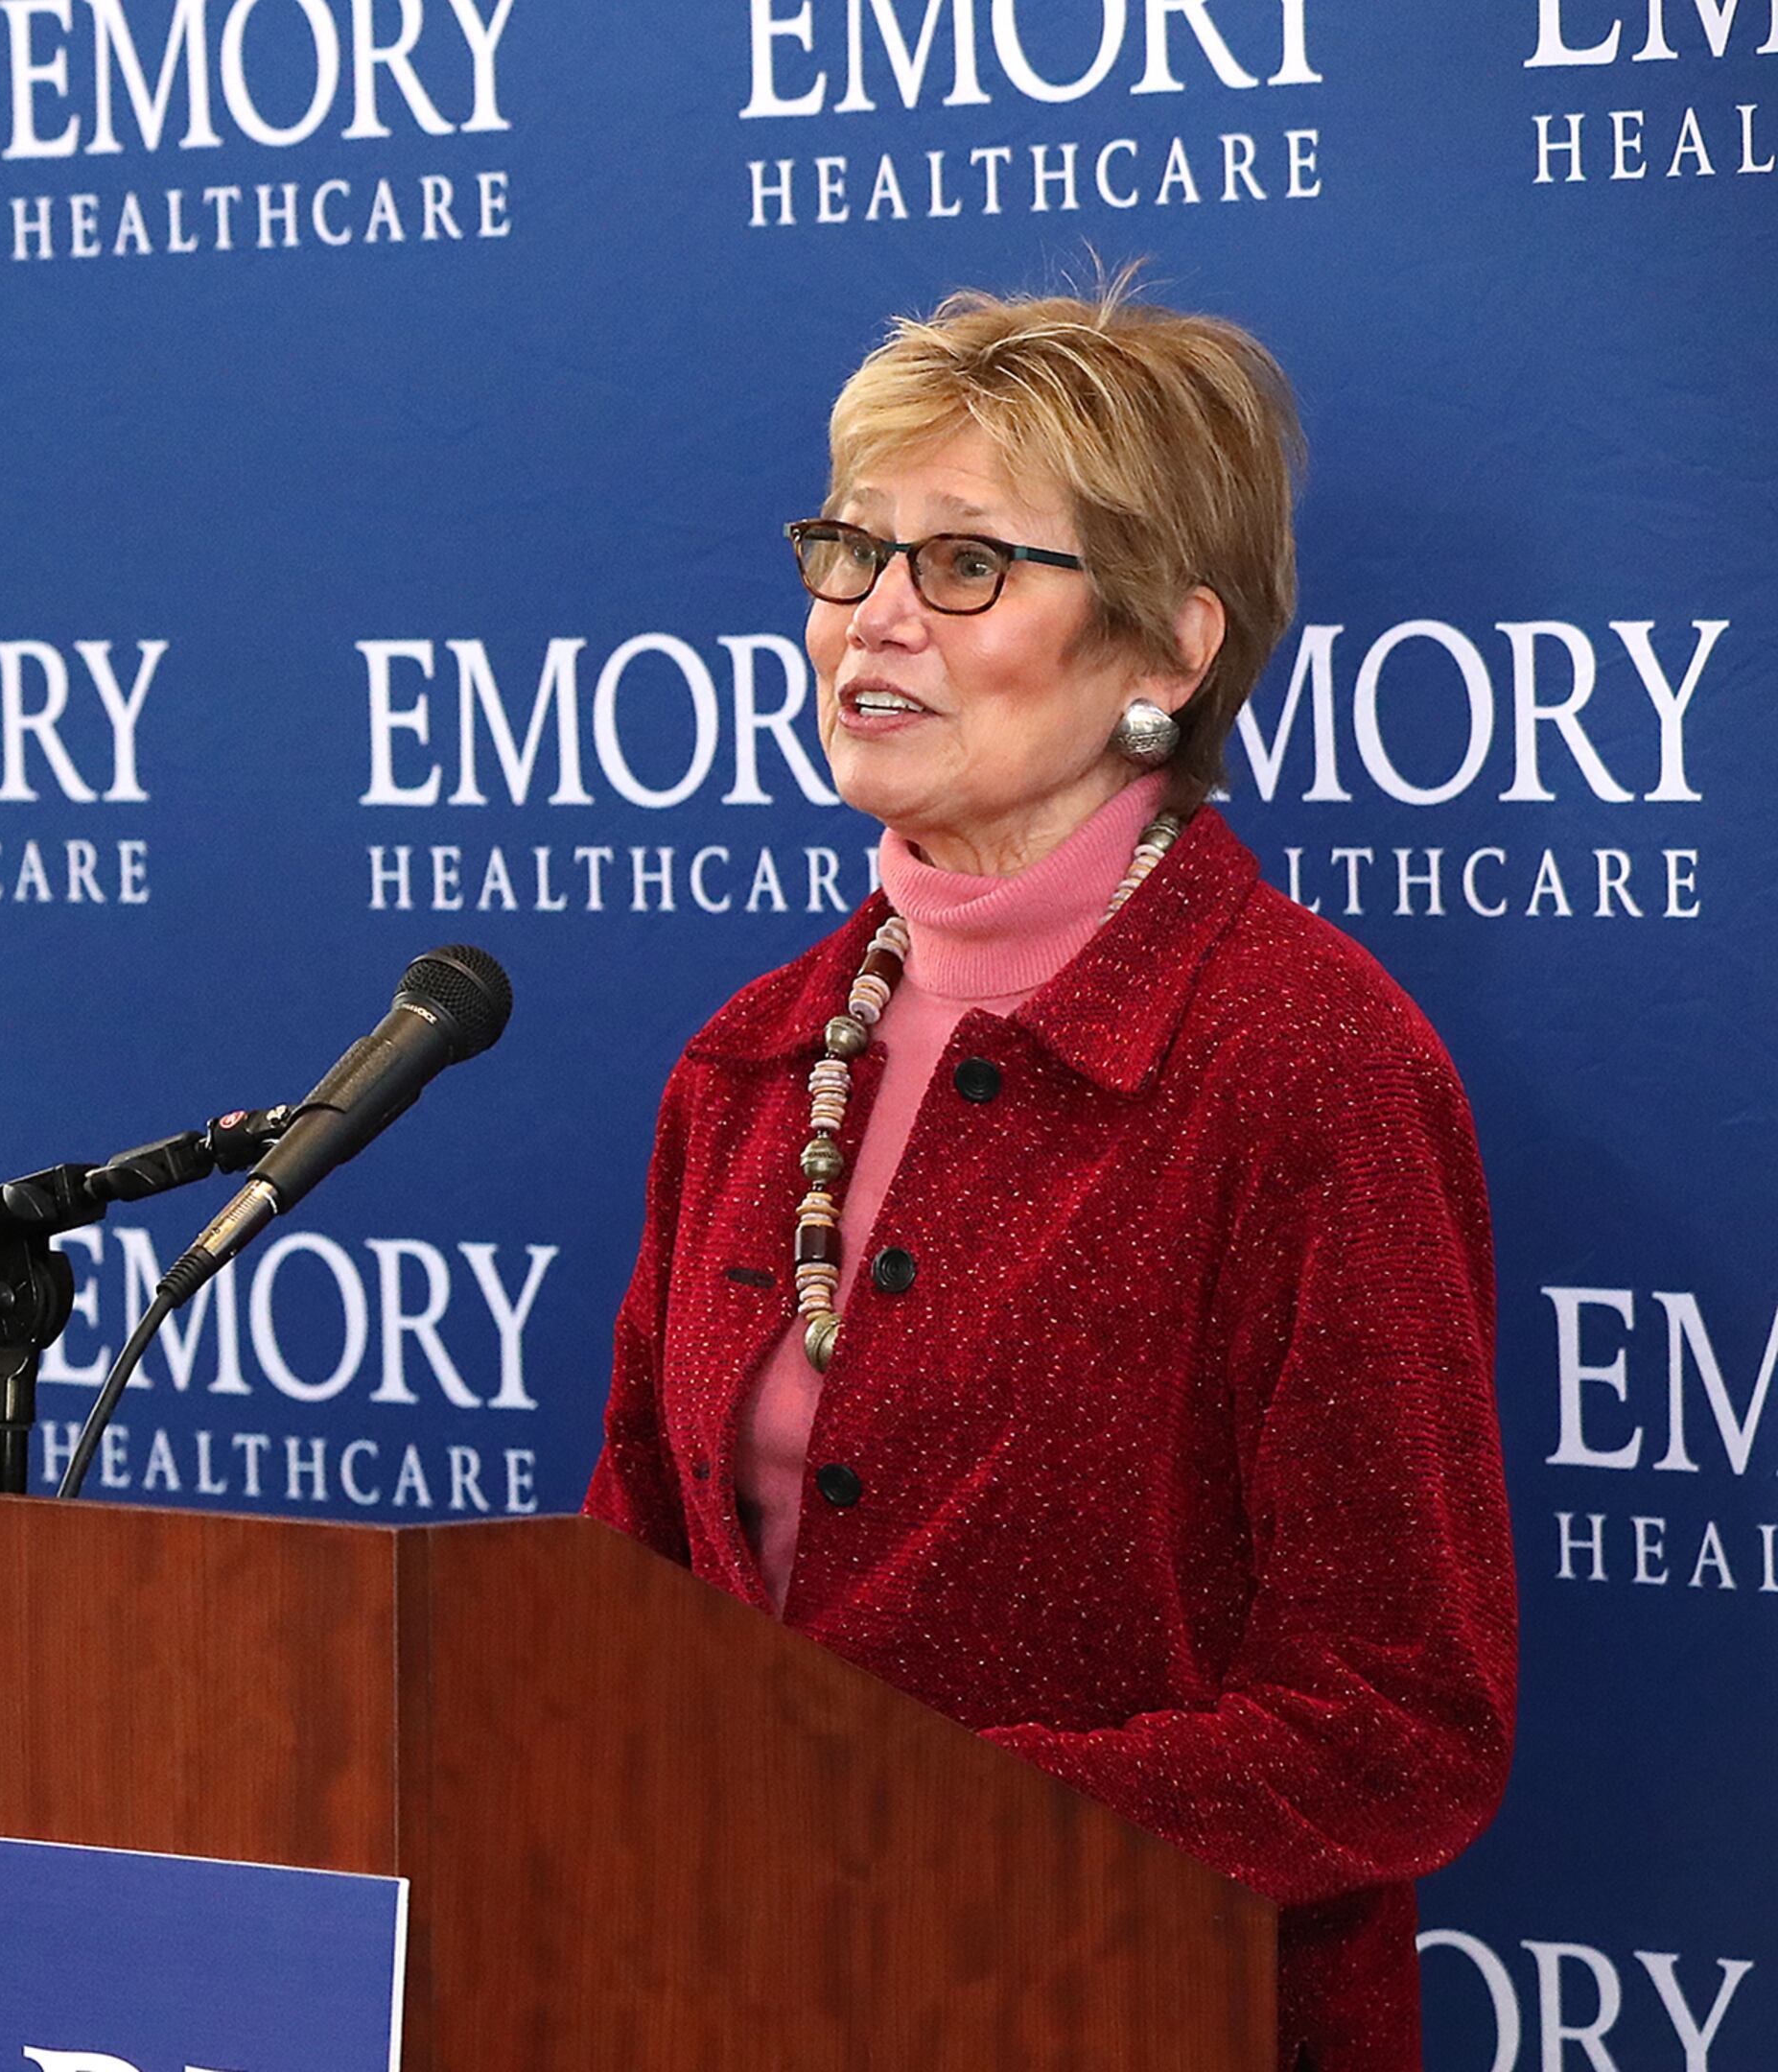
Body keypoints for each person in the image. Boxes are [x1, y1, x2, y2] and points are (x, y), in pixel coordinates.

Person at [582, 284, 1514, 2072]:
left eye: (967, 568)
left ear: (1167, 653)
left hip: (1139, 2013)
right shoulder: (752, 1057)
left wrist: (894, 1824)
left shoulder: (1305, 1070)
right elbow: (630, 1592)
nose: (873, 618)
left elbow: (1402, 1724)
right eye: (851, 552)